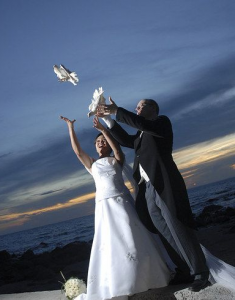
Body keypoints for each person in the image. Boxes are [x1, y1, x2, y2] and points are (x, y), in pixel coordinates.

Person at [96, 98, 210, 292]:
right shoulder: (141, 134)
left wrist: (117, 111)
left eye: (141, 106)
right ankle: (183, 270)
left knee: (179, 227)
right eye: (137, 106)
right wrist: (109, 121)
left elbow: (141, 123)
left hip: (164, 185)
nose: (137, 108)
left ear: (153, 109)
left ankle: (200, 273)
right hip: (147, 188)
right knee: (164, 233)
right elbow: (126, 140)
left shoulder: (161, 123)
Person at [60, 116, 171, 300]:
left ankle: (144, 276)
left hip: (122, 202)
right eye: (97, 142)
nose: (100, 143)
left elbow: (118, 149)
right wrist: (70, 127)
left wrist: (104, 130)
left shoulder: (116, 160)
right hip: (104, 206)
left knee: (132, 237)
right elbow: (78, 151)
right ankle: (120, 281)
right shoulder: (92, 164)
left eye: (103, 141)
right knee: (110, 243)